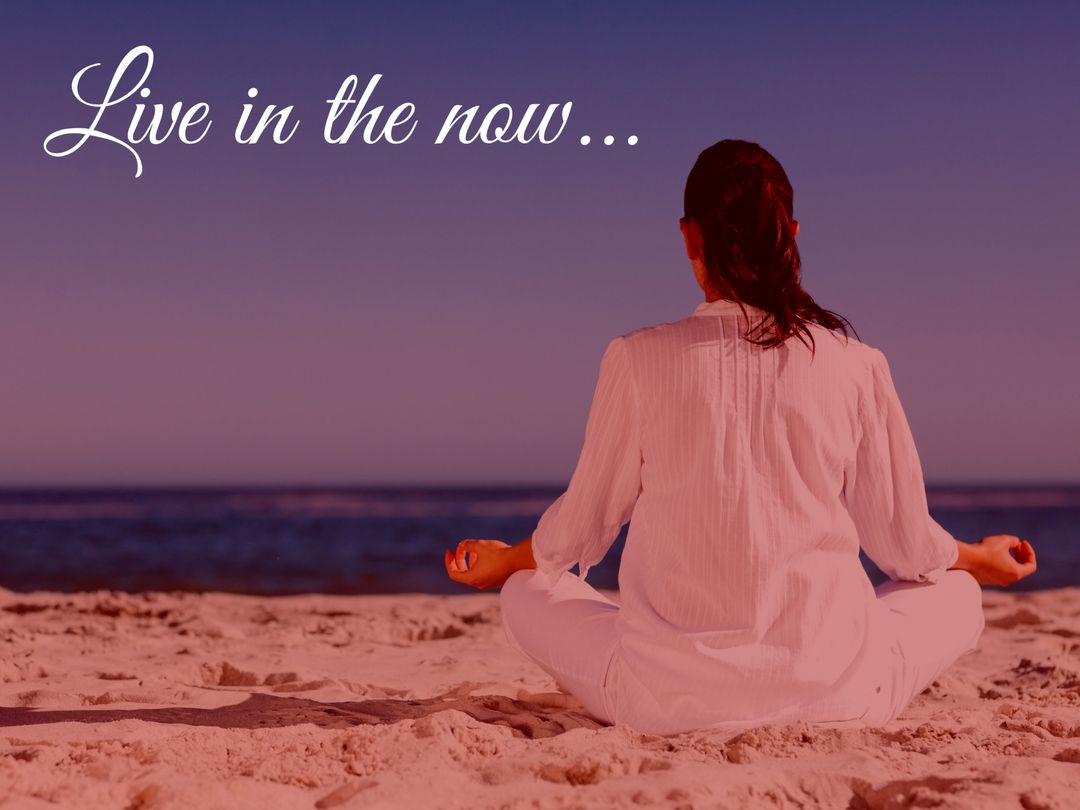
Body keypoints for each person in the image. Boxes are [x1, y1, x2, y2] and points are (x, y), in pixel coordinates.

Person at [443, 139, 1037, 736]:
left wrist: (506, 562)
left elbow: (579, 528)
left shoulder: (637, 359)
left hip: (663, 699)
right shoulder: (857, 365)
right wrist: (978, 558)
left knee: (525, 592)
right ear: (793, 233)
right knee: (957, 594)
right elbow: (907, 547)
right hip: (840, 691)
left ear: (688, 236)